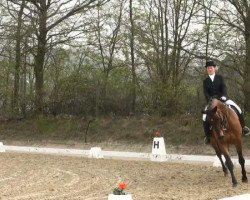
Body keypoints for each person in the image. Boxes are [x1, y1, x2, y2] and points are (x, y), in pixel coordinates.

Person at [202, 60, 250, 144]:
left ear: (214, 69)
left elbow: (224, 88)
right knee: (204, 116)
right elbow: (206, 92)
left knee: (238, 109)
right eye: (208, 68)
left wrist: (224, 96)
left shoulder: (220, 78)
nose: (209, 69)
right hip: (212, 101)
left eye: (211, 68)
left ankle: (243, 127)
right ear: (207, 70)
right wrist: (210, 99)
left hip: (223, 99)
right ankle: (208, 136)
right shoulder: (205, 81)